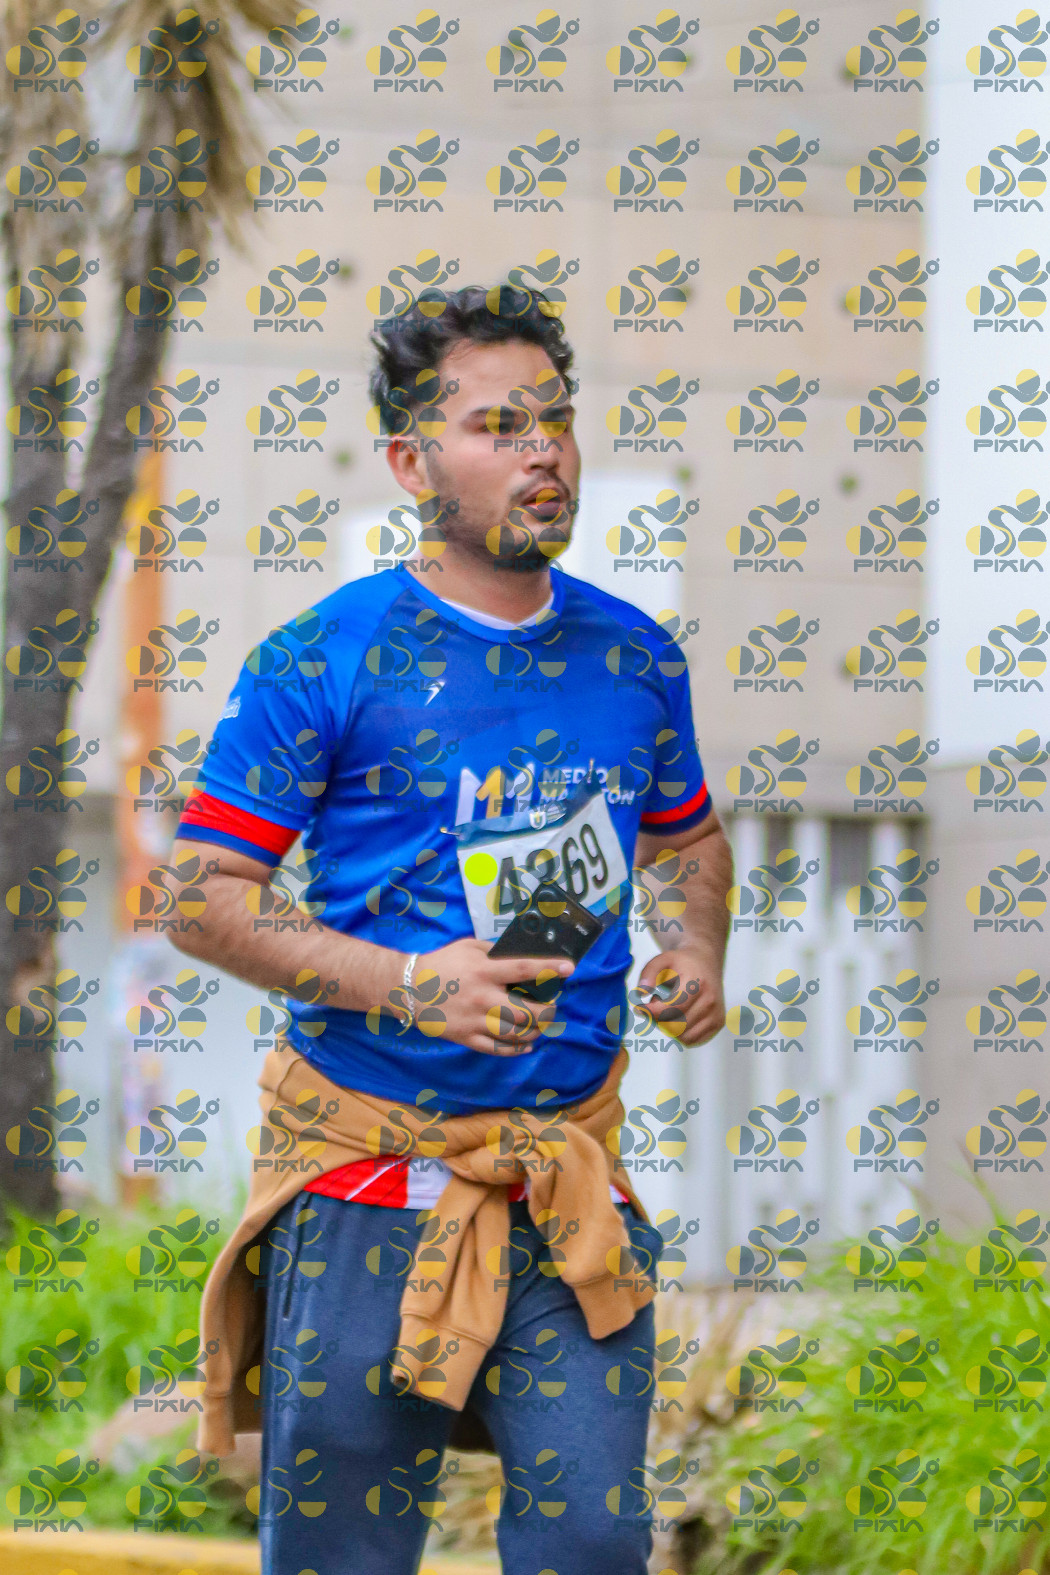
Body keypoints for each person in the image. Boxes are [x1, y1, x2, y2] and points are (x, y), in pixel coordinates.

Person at [169, 284, 732, 1575]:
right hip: (367, 1183)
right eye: (496, 427)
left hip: (563, 1180)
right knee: (346, 1557)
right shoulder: (323, 657)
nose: (542, 452)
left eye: (555, 420)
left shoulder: (635, 657)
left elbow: (689, 840)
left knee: (593, 1541)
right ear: (411, 464)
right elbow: (201, 898)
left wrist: (695, 947)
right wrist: (412, 983)